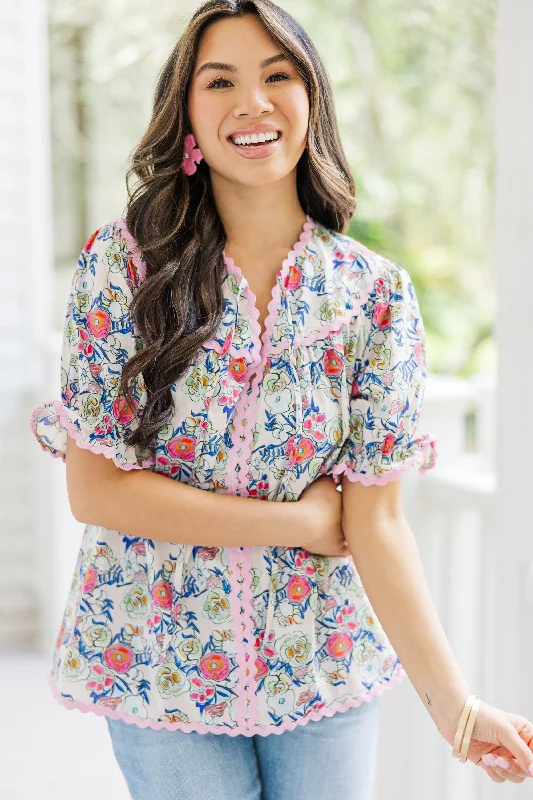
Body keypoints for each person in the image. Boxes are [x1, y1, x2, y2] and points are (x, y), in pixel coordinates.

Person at [30, 1, 533, 798]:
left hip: (322, 662)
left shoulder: (374, 296)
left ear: (311, 100)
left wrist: (459, 713)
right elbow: (96, 492)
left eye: (277, 75)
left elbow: (379, 522)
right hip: (159, 662)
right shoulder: (120, 267)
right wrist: (296, 522)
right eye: (219, 80)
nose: (252, 102)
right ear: (187, 115)